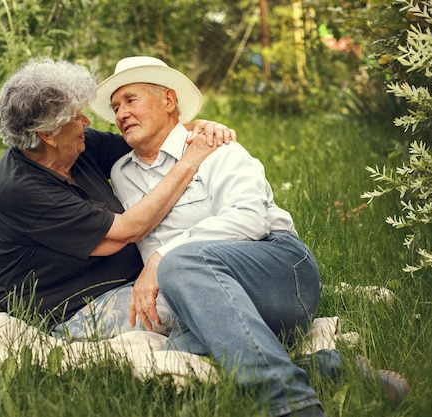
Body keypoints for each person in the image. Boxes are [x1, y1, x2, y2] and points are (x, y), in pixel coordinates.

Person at [90, 56, 325, 417]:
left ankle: (291, 405)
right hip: (206, 299)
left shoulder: (216, 145)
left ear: (169, 100)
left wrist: (162, 256)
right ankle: (333, 369)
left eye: (131, 100)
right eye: (116, 106)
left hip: (279, 271)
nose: (120, 113)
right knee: (178, 375)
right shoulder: (122, 173)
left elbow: (251, 220)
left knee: (180, 262)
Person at [0, 57, 236, 335]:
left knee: (217, 284)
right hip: (72, 309)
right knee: (204, 299)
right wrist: (189, 161)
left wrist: (197, 127)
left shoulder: (77, 145)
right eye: (76, 116)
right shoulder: (22, 189)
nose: (86, 121)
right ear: (48, 134)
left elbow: (152, 140)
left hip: (129, 283)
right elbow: (128, 230)